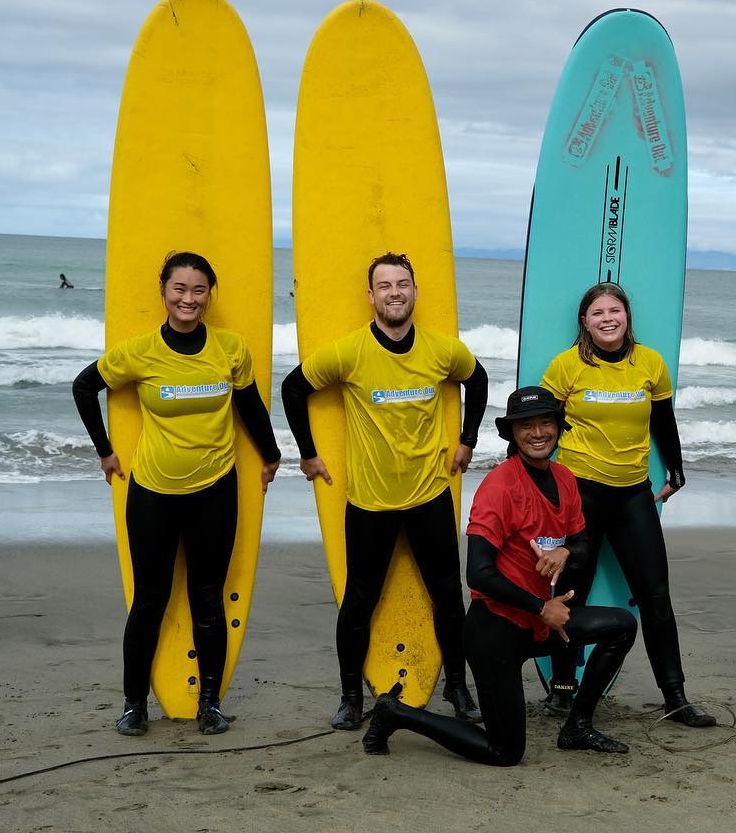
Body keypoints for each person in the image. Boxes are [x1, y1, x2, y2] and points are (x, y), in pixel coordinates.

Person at [361, 386, 638, 762]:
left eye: (546, 422)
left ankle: (577, 725)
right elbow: (478, 573)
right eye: (526, 425)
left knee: (621, 625)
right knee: (504, 751)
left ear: (559, 428)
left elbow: (583, 542)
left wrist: (564, 550)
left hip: (541, 623)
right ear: (513, 434)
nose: (537, 433)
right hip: (496, 630)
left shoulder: (565, 479)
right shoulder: (500, 487)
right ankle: (396, 713)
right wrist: (541, 607)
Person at [72, 251, 281, 736]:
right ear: (163, 291)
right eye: (179, 289)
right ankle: (133, 704)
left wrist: (271, 456)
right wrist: (104, 451)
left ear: (210, 295)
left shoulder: (230, 348)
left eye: (198, 290)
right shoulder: (140, 351)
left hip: (215, 491)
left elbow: (249, 406)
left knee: (207, 599)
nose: (188, 298)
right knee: (149, 599)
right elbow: (84, 388)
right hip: (153, 494)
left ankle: (210, 702)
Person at [281, 252, 488, 730]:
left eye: (402, 284)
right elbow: (293, 389)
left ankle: (457, 687)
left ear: (414, 292)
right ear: (370, 296)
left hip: (429, 496)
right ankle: (350, 696)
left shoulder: (441, 349)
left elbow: (476, 380)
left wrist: (467, 440)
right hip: (370, 503)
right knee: (359, 601)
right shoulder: (349, 351)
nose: (395, 292)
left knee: (447, 598)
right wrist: (308, 454)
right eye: (385, 286)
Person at [537, 282, 714, 728]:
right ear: (585, 321)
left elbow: (664, 420)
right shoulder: (566, 366)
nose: (607, 319)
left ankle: (675, 697)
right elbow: (537, 428)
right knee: (570, 593)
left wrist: (675, 469)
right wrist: (530, 485)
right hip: (581, 497)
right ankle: (562, 689)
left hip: (633, 493)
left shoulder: (649, 363)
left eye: (614, 310)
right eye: (597, 313)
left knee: (656, 596)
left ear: (626, 316)